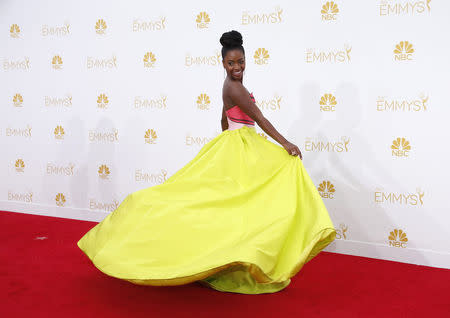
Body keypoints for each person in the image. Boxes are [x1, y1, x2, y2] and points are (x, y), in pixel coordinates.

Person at [77, 30, 336, 294]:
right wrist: (286, 144)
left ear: (246, 60)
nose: (237, 67)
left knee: (234, 205)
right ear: (223, 63)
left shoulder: (230, 86)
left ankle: (226, 259)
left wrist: (227, 142)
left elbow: (224, 119)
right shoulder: (235, 88)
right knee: (233, 204)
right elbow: (260, 119)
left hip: (236, 146)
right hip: (240, 146)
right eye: (231, 63)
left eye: (241, 62)